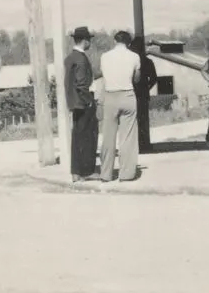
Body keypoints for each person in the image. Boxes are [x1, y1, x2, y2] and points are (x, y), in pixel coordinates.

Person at [99, 30, 141, 182]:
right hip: (128, 95)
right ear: (128, 43)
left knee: (108, 137)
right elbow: (137, 79)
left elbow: (104, 76)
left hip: (110, 96)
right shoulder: (134, 56)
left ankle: (105, 174)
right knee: (127, 137)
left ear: (114, 41)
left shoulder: (105, 57)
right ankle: (127, 174)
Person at [63, 26, 100, 182]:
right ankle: (87, 171)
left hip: (74, 103)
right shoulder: (81, 59)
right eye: (89, 40)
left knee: (77, 137)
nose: (90, 42)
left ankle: (76, 172)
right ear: (84, 41)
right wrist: (89, 101)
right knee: (88, 138)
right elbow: (81, 84)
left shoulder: (70, 57)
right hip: (84, 103)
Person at [131, 36, 158, 153]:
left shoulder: (130, 61)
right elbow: (154, 79)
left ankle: (135, 145)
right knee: (143, 120)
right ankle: (145, 144)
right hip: (142, 93)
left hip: (131, 93)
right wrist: (147, 87)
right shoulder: (148, 61)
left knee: (132, 121)